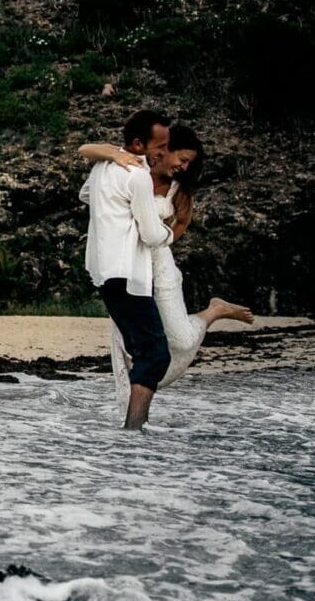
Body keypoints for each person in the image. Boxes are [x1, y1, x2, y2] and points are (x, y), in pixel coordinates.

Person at [80, 124, 253, 424]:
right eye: (181, 159)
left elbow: (181, 224)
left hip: (158, 263)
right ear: (164, 150)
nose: (183, 167)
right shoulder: (133, 168)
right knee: (132, 347)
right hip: (127, 266)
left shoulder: (178, 189)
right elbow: (87, 171)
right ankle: (134, 421)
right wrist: (111, 153)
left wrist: (163, 237)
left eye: (188, 164)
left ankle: (215, 310)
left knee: (182, 340)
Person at [79, 109, 178, 429]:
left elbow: (85, 195)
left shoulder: (100, 169)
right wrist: (170, 232)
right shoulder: (136, 176)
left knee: (143, 349)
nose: (165, 153)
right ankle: (133, 429)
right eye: (159, 147)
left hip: (104, 271)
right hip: (126, 272)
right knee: (155, 353)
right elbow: (151, 234)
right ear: (138, 144)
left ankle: (132, 430)